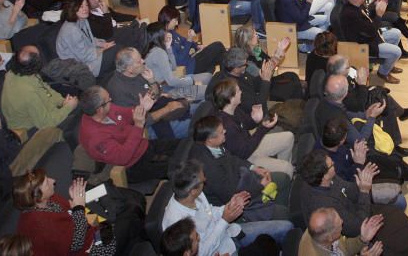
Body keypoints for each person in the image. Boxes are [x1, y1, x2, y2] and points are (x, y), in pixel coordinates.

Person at [162, 159, 292, 253]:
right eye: (203, 181)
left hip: (230, 233)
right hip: (221, 250)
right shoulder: (175, 224)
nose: (206, 180)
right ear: (192, 190)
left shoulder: (196, 194)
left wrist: (230, 205)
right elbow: (201, 252)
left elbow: (210, 210)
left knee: (287, 227)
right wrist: (224, 220)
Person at [78, 85, 181, 184]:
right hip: (133, 165)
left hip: (142, 145)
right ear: (99, 110)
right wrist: (138, 126)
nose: (111, 100)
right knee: (180, 168)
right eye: (109, 100)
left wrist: (142, 108)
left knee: (183, 145)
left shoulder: (105, 109)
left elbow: (128, 114)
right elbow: (123, 158)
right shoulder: (95, 138)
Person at [13, 170, 129, 256]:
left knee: (111, 222)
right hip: (79, 250)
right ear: (38, 196)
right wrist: (79, 206)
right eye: (47, 183)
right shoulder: (40, 223)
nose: (53, 180)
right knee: (119, 232)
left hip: (85, 232)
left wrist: (76, 201)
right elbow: (76, 244)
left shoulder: (49, 199)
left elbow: (72, 214)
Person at [212, 78, 295, 175]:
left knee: (289, 136)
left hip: (250, 143)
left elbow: (246, 124)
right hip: (246, 158)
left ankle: (280, 174)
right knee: (288, 168)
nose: (241, 92)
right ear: (231, 98)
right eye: (238, 91)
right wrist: (263, 128)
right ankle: (283, 174)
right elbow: (244, 152)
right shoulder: (227, 126)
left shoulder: (234, 109)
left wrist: (255, 119)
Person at [1, 46, 79, 133]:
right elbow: (45, 123)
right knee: (78, 119)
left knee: (78, 101)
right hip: (30, 131)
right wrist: (68, 107)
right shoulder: (28, 94)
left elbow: (45, 88)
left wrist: (62, 101)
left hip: (43, 112)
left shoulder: (17, 72)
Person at [56, 0, 115, 78]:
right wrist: (104, 49)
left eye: (86, 5)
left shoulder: (82, 20)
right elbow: (85, 56)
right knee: (116, 52)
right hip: (81, 66)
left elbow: (89, 39)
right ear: (73, 8)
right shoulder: (71, 30)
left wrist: (102, 44)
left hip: (88, 55)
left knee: (116, 47)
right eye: (81, 6)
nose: (85, 9)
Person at [300, 207, 385, 256]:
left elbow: (344, 247)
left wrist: (362, 239)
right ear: (330, 237)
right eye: (339, 226)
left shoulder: (317, 231)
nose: (342, 221)